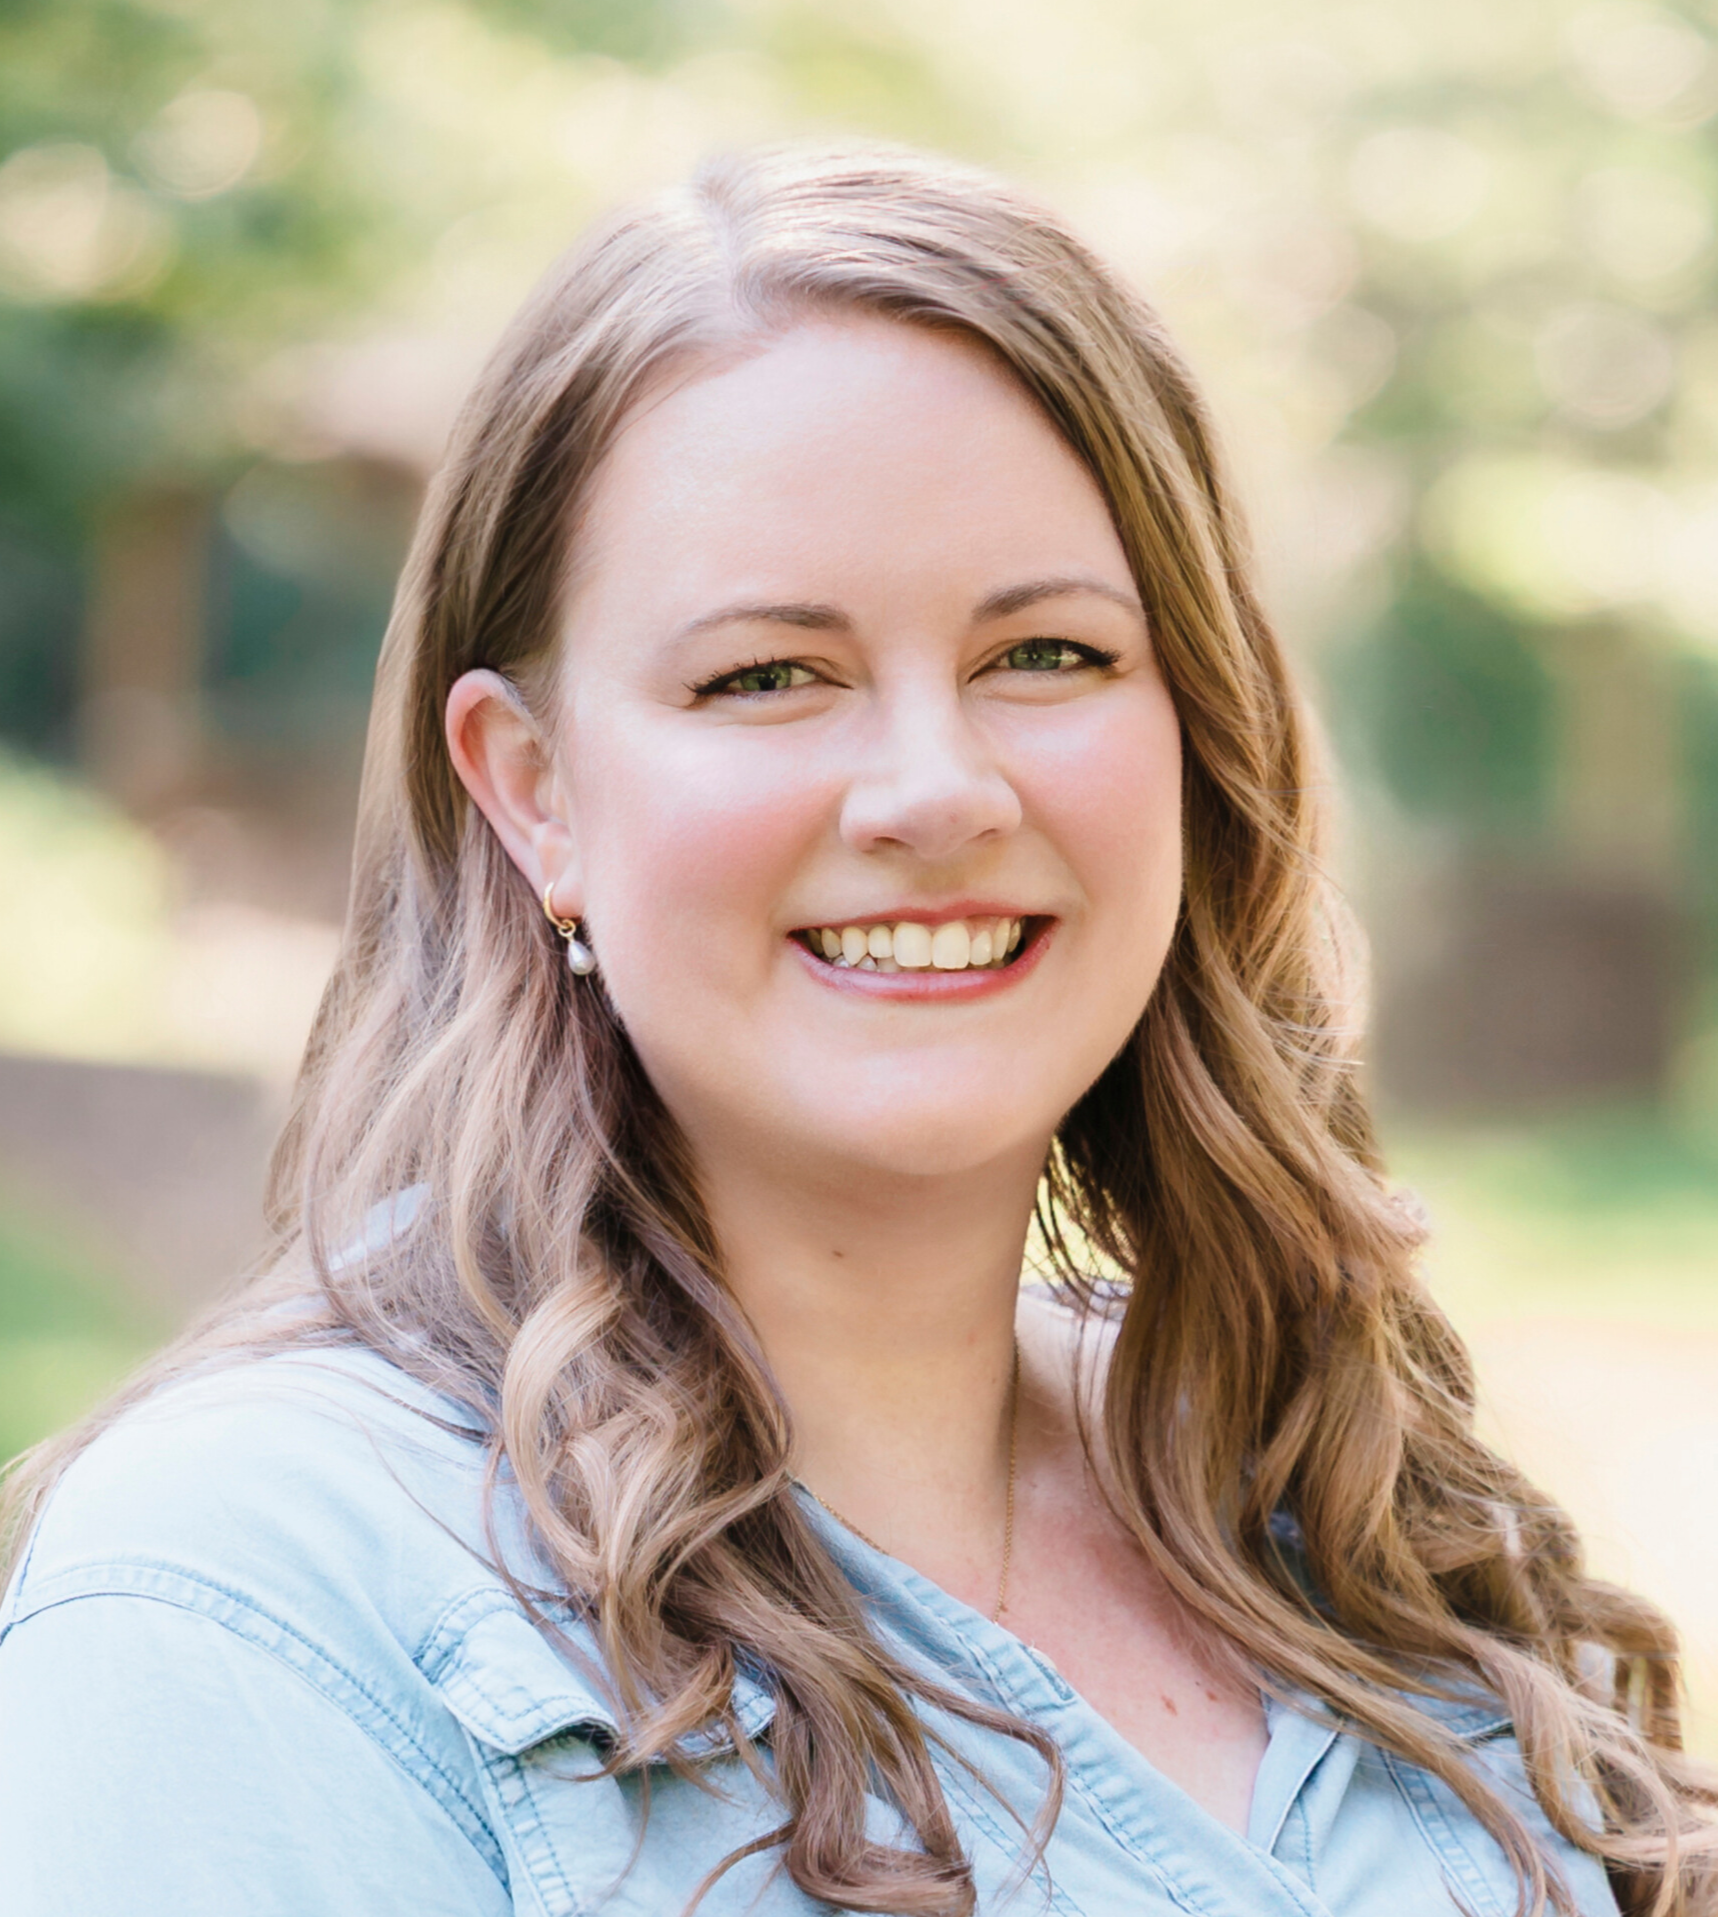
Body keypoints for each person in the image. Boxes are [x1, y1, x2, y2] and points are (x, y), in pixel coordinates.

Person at [0, 145, 1711, 1917]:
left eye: (1044, 654)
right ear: (533, 793)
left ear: (1195, 728)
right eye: (766, 676)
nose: (933, 789)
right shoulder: (264, 1603)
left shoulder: (1327, 1493)